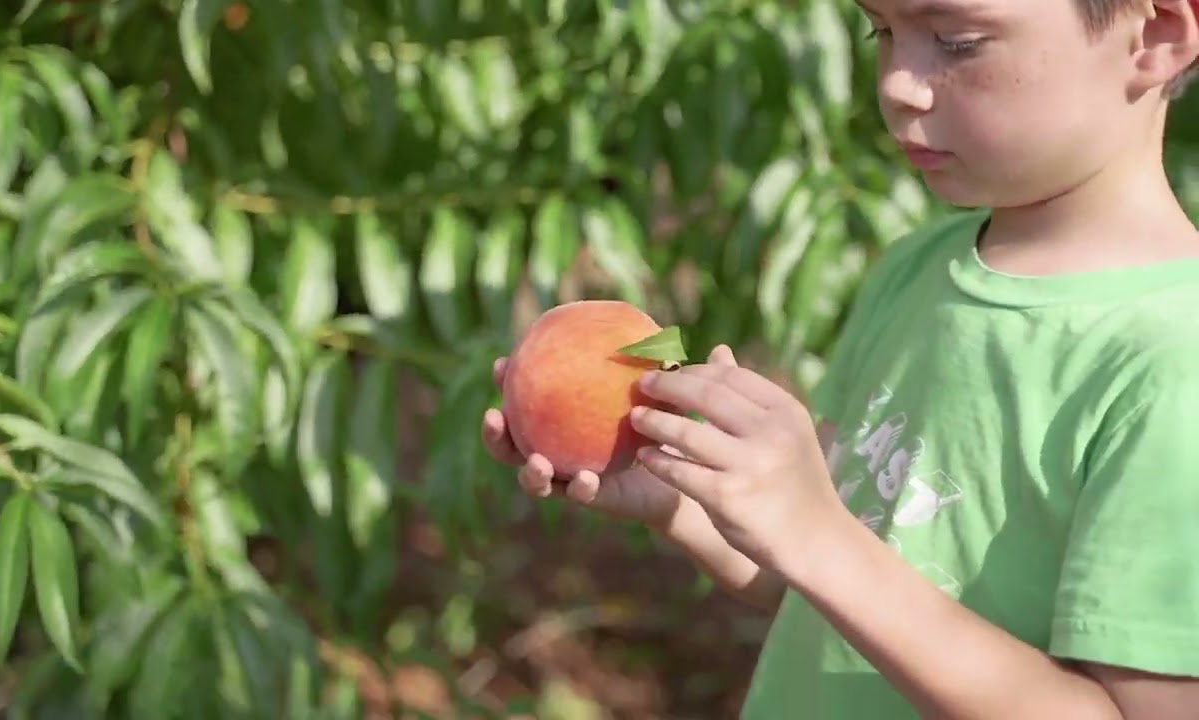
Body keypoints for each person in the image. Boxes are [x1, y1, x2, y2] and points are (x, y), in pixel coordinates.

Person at [482, 0, 1199, 716]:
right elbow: (811, 579)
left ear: (1156, 36)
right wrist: (683, 500)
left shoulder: (1173, 360)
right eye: (881, 32)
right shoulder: (918, 269)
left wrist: (817, 535)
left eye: (957, 40)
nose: (896, 83)